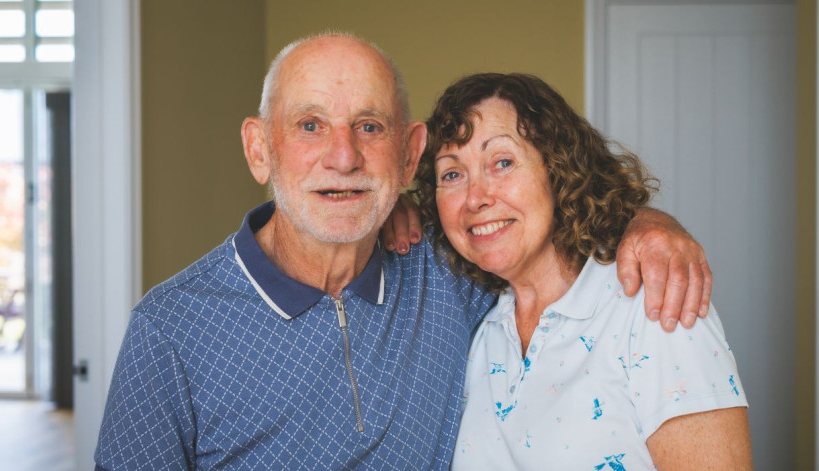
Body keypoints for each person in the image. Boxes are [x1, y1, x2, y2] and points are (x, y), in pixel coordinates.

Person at [94, 33, 713, 470]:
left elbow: (531, 217)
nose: (344, 156)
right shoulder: (169, 331)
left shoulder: (452, 271)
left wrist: (649, 225)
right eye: (310, 125)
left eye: (370, 126)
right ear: (260, 150)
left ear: (408, 153)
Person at [410, 72, 751, 470]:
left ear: (557, 171)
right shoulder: (476, 324)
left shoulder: (654, 302)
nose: (475, 198)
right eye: (452, 174)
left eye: (502, 162)